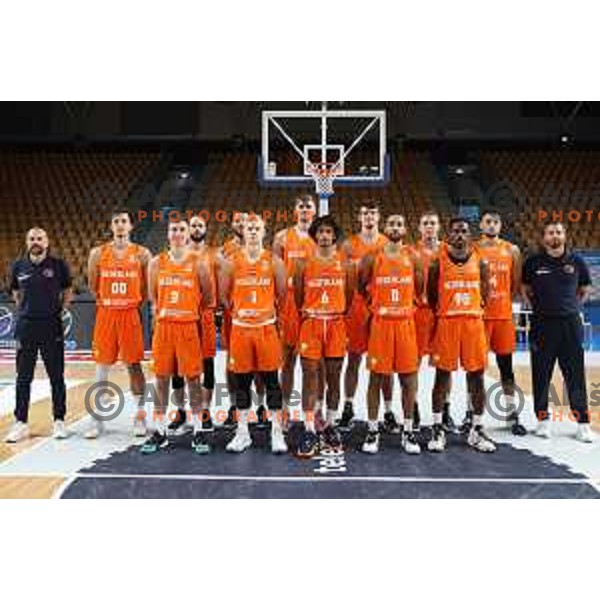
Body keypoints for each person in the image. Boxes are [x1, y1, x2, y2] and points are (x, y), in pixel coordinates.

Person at [141, 220, 213, 454]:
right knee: (161, 379)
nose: (178, 233)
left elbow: (207, 297)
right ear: (168, 233)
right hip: (164, 328)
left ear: (187, 234)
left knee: (193, 380)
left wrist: (187, 311)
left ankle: (199, 431)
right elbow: (153, 297)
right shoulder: (155, 263)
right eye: (174, 229)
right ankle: (160, 432)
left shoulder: (199, 263)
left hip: (188, 327)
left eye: (182, 229)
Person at [219, 215, 288, 453]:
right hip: (241, 330)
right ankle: (242, 433)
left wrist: (263, 313)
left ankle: (277, 433)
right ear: (243, 231)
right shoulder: (231, 261)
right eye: (249, 228)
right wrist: (244, 313)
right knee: (242, 383)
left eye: (257, 228)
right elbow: (224, 297)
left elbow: (282, 295)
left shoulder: (274, 261)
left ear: (264, 231)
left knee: (271, 382)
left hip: (266, 328)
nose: (252, 231)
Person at [427, 217, 496, 453]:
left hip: (472, 323)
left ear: (470, 235)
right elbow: (431, 295)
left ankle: (476, 429)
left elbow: (485, 293)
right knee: (442, 377)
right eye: (455, 231)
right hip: (447, 322)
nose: (459, 235)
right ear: (448, 235)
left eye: (464, 231)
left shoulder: (481, 262)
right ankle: (437, 428)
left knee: (476, 377)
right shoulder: (438, 263)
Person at [522, 222, 593, 443]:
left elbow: (584, 289)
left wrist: (570, 307)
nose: (555, 236)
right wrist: (537, 307)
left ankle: (582, 423)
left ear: (564, 236)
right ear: (544, 238)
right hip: (542, 324)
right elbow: (525, 289)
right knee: (541, 374)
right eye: (551, 232)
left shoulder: (577, 261)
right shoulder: (533, 262)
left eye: (559, 232)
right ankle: (543, 421)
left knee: (575, 375)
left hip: (570, 324)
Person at [85, 208, 152, 439]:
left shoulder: (142, 254)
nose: (121, 225)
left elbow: (146, 288)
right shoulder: (98, 253)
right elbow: (94, 285)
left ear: (131, 226)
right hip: (106, 314)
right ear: (112, 226)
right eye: (117, 221)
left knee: (134, 366)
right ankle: (96, 420)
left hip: (130, 314)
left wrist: (131, 301)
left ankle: (140, 417)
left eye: (124, 221)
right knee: (101, 367)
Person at [359, 214, 423, 454]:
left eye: (399, 223)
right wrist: (375, 306)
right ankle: (373, 429)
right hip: (381, 324)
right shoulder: (372, 257)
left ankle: (408, 431)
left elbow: (420, 289)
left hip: (405, 324)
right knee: (376, 378)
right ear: (385, 228)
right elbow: (361, 286)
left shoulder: (413, 257)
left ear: (405, 229)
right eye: (391, 223)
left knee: (408, 379)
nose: (395, 227)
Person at [293, 215, 355, 457]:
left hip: (336, 323)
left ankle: (329, 425)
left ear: (334, 235)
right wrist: (312, 312)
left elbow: (349, 297)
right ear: (315, 235)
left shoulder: (346, 264)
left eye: (329, 232)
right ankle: (309, 429)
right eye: (320, 232)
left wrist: (335, 311)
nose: (324, 236)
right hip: (312, 322)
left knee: (334, 377)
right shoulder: (303, 263)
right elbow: (299, 296)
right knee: (309, 376)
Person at [5, 228, 72, 443]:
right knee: (23, 377)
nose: (36, 242)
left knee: (56, 377)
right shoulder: (18, 266)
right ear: (27, 242)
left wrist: (58, 309)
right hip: (26, 327)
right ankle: (21, 423)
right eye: (32, 239)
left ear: (47, 241)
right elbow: (15, 292)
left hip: (51, 326)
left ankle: (59, 421)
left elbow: (67, 290)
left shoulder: (58, 265)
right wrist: (26, 308)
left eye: (40, 238)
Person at [339, 200, 391, 430]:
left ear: (378, 217)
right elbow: (341, 279)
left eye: (373, 213)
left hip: (381, 309)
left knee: (385, 364)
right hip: (356, 310)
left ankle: (388, 410)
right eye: (365, 213)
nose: (369, 217)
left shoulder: (388, 244)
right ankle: (348, 406)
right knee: (353, 360)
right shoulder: (349, 246)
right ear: (359, 218)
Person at [476, 210, 526, 436]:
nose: (492, 225)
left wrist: (508, 306)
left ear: (501, 225)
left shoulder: (512, 250)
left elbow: (515, 285)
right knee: (476, 369)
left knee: (506, 367)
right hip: (480, 317)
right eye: (488, 221)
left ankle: (511, 411)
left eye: (496, 221)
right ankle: (473, 414)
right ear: (481, 225)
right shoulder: (473, 249)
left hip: (503, 317)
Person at [169, 215, 217, 438]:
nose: (197, 229)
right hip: (179, 317)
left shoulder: (213, 254)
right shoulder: (175, 256)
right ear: (187, 231)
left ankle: (204, 411)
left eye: (200, 225)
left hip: (203, 315)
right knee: (177, 366)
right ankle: (180, 411)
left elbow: (214, 288)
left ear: (206, 229)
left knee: (206, 364)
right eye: (193, 225)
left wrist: (208, 308)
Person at [273, 196, 318, 424]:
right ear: (294, 210)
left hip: (313, 304)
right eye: (300, 206)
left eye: (308, 206)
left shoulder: (322, 238)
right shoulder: (282, 237)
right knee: (288, 361)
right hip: (289, 304)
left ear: (315, 210)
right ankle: (283, 409)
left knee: (313, 364)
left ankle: (313, 412)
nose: (304, 210)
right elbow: (274, 272)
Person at [412, 211, 453, 431]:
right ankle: (414, 407)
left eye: (433, 223)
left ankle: (445, 409)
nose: (429, 227)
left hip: (443, 314)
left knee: (444, 365)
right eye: (425, 223)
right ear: (419, 227)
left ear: (439, 227)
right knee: (413, 364)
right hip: (420, 314)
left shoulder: (448, 251)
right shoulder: (411, 251)